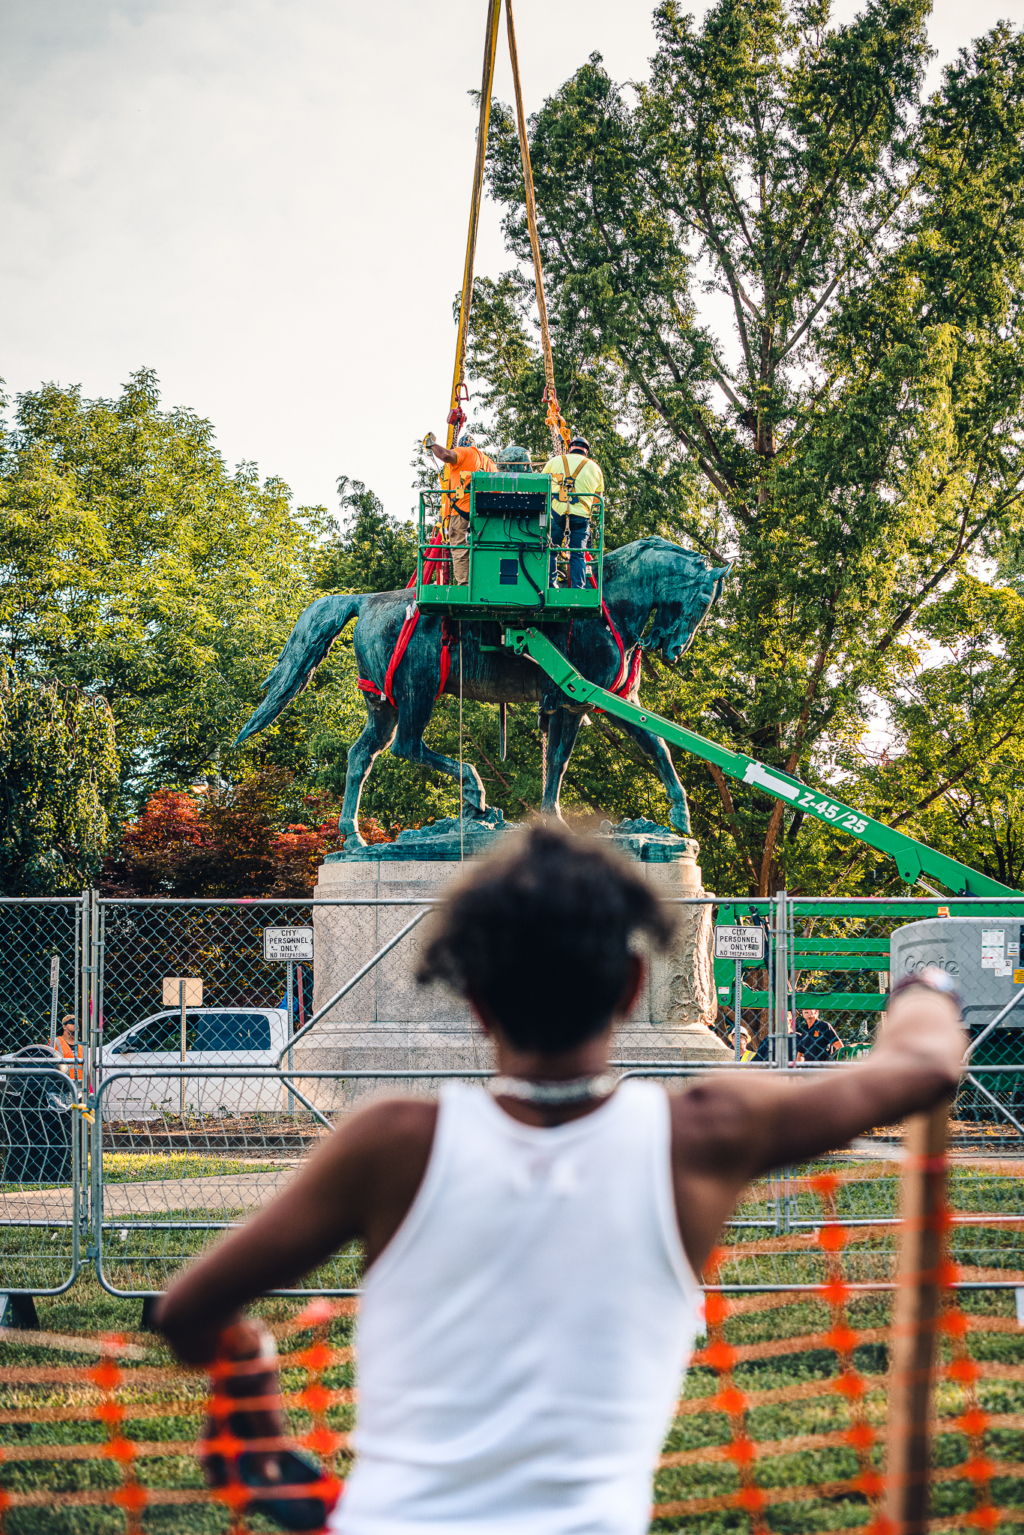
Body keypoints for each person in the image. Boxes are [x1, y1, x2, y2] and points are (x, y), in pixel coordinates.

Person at [155, 826, 964, 1535]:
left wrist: (250, 1360)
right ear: (632, 987)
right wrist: (927, 986)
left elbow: (190, 1307)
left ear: (473, 997)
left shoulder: (392, 1141)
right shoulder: (704, 1134)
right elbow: (922, 1065)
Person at [424, 432, 497, 585]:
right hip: (485, 516)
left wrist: (431, 444)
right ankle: (483, 585)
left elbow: (445, 455)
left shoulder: (464, 452)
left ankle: (464, 587)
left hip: (462, 512)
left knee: (459, 549)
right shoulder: (488, 462)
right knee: (482, 550)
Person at [542, 434, 605, 588]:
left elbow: (541, 485)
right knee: (578, 554)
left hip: (557, 514)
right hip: (581, 517)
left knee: (552, 550)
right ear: (586, 452)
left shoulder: (555, 461)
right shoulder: (595, 468)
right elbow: (597, 499)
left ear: (570, 449)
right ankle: (578, 588)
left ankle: (551, 585)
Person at [56, 1014, 83, 1083]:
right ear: (64, 1026)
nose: (76, 1025)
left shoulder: (81, 1046)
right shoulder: (55, 1042)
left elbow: (85, 1069)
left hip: (79, 1085)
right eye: (72, 1022)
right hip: (61, 1084)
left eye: (77, 1023)